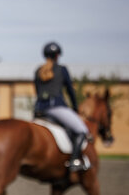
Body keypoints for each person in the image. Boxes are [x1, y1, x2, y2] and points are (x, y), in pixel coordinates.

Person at [34, 42, 89, 172]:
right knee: (82, 130)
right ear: (58, 55)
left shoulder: (38, 71)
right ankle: (74, 160)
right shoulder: (62, 69)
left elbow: (37, 91)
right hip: (56, 108)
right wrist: (75, 108)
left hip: (39, 109)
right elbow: (70, 90)